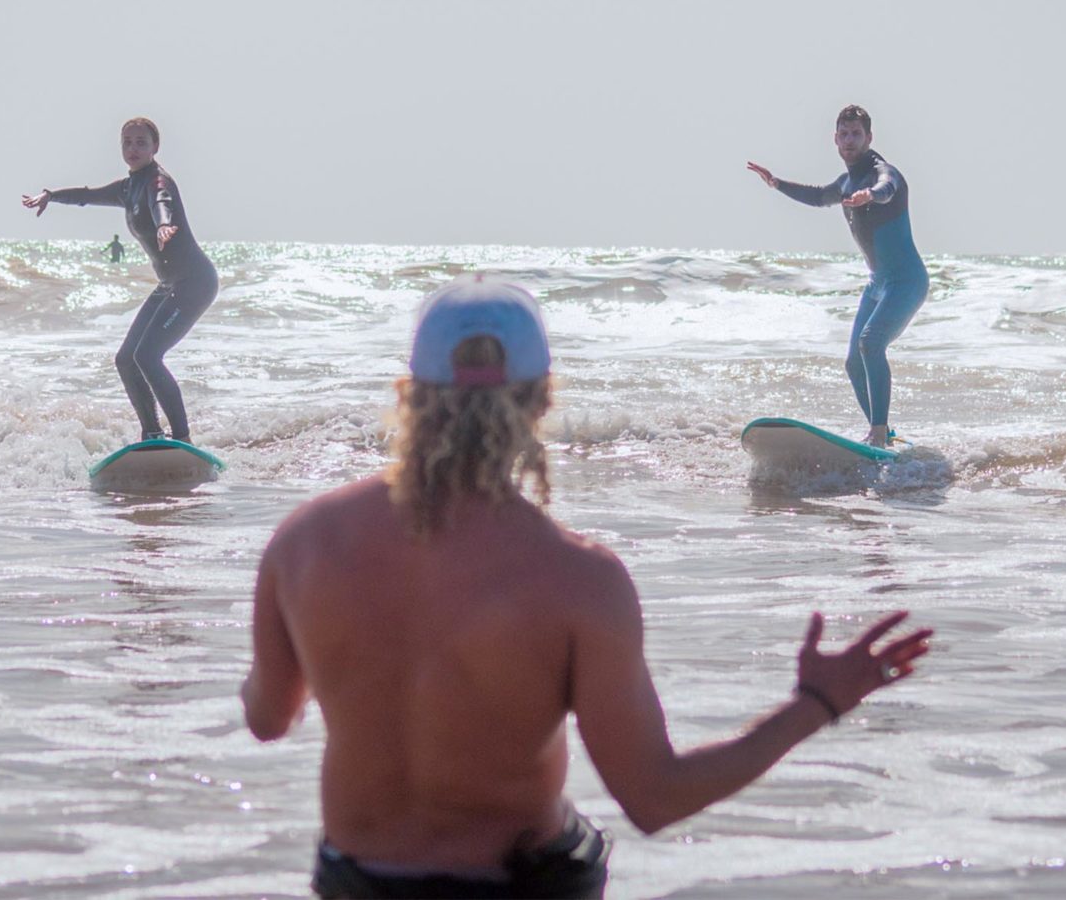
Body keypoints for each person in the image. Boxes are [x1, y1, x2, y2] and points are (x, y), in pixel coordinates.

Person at [241, 276, 932, 899]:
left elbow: (268, 719)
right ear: (540, 399)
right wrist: (817, 701)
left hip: (357, 884)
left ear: (410, 394)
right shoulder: (578, 579)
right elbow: (654, 796)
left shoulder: (305, 542)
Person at [22, 118, 219, 444]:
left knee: (148, 356)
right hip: (170, 284)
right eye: (127, 142)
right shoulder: (128, 188)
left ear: (155, 147)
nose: (133, 148)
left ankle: (183, 440)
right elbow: (88, 195)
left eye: (141, 142)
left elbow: (162, 204)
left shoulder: (158, 182)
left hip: (194, 282)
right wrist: (51, 195)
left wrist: (164, 224)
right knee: (126, 359)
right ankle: (152, 434)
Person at [747, 105, 929, 448]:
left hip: (906, 281)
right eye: (844, 134)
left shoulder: (883, 173)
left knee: (871, 343)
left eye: (856, 134)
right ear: (835, 139)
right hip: (878, 284)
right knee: (853, 363)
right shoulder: (846, 181)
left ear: (869, 137)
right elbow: (818, 196)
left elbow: (888, 188)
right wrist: (776, 183)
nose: (849, 140)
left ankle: (878, 434)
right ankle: (884, 434)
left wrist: (870, 195)